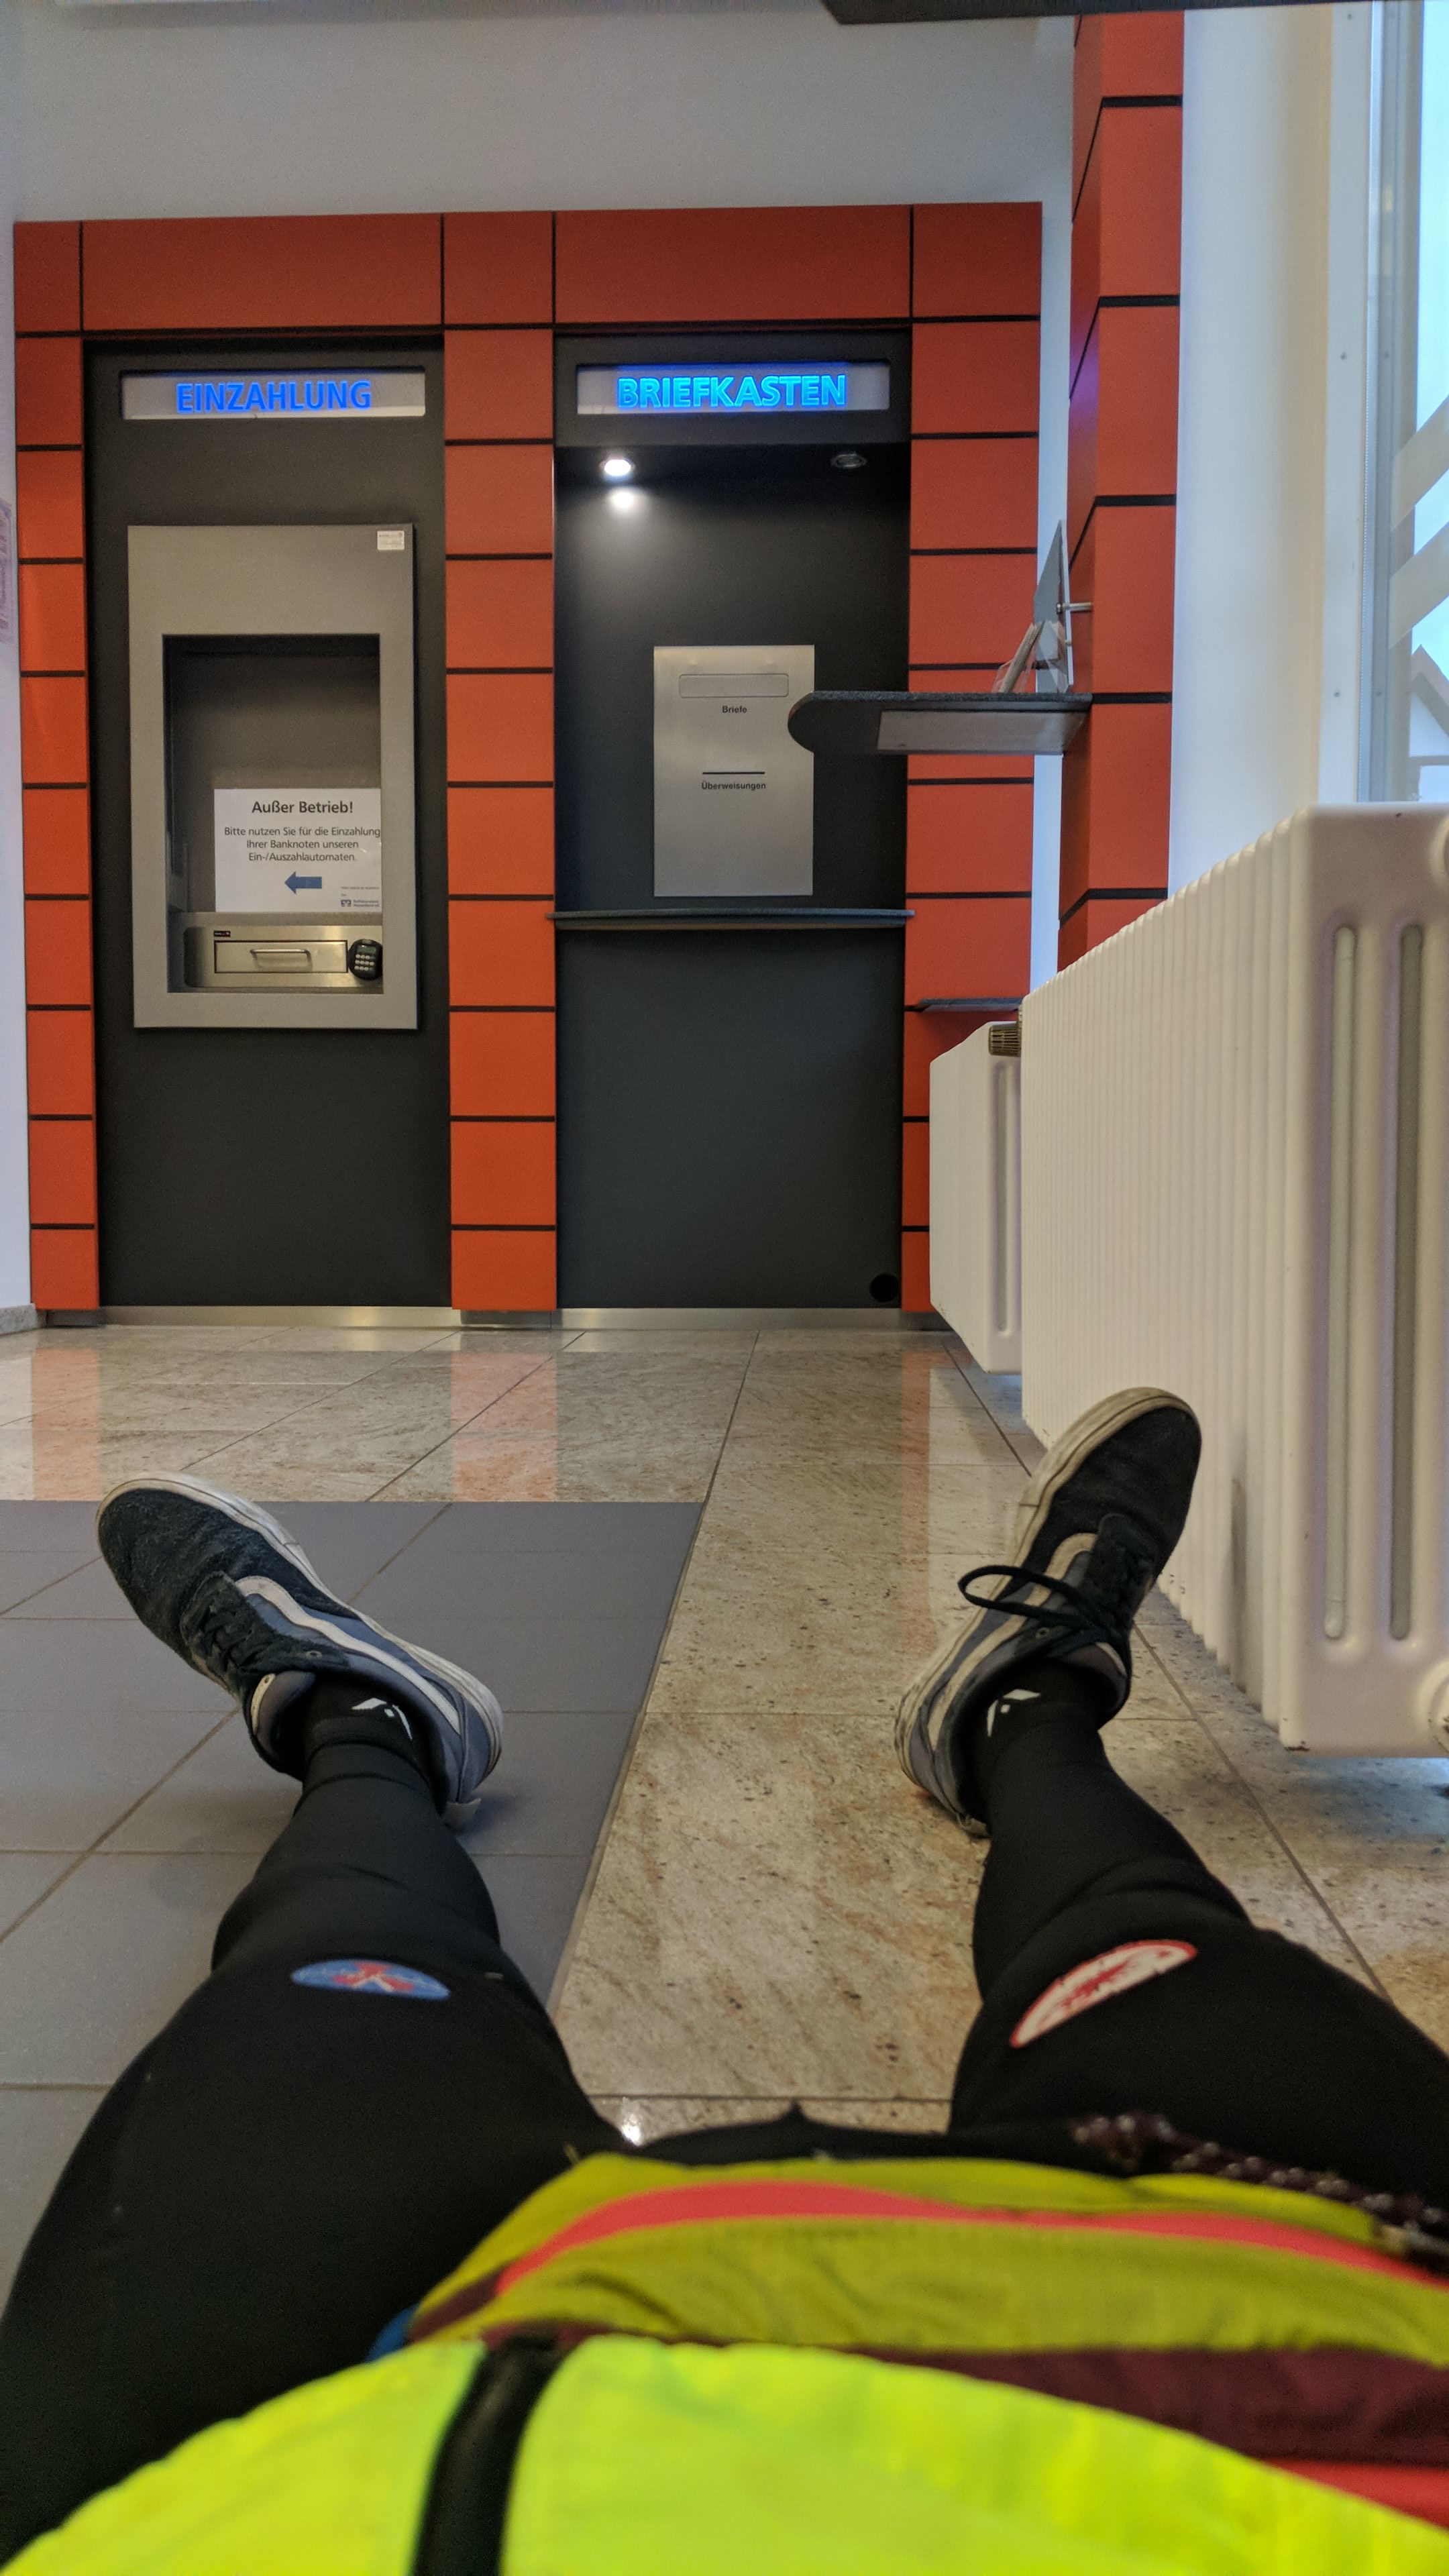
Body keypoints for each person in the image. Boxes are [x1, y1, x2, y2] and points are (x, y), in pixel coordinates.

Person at [4, 1389, 1449, 2571]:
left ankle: (360, 1716)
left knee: (325, 1973)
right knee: (1152, 1946)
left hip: (315, 2458)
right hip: (1294, 2320)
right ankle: (1026, 1700)